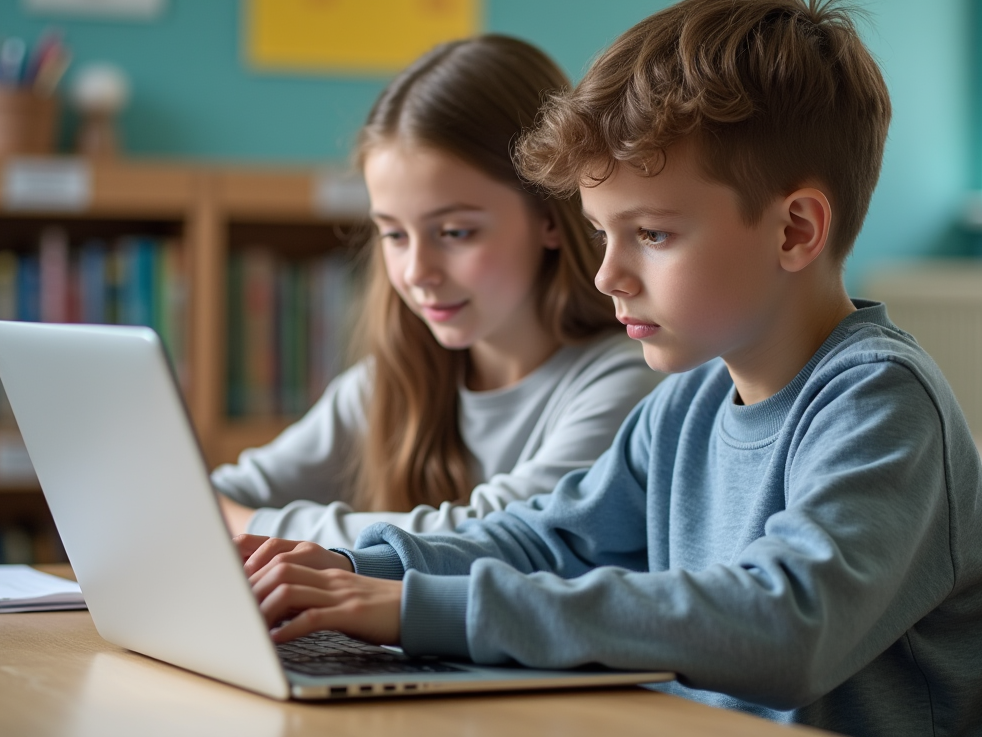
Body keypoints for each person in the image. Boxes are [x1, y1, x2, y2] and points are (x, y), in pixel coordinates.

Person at [235, 0, 982, 736]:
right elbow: (543, 539)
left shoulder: (880, 403)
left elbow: (787, 625)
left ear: (795, 230)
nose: (606, 274)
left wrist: (415, 608)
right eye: (600, 232)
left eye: (650, 234)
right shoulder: (686, 403)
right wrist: (343, 567)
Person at [213, 35, 661, 549]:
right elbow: (209, 497)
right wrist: (220, 513)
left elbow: (491, 535)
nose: (417, 271)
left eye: (454, 233)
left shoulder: (628, 381)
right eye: (394, 235)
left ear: (550, 217)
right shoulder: (393, 380)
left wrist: (246, 524)